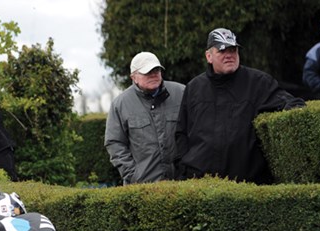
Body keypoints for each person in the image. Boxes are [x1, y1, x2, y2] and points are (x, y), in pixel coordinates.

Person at [175, 28, 306, 184]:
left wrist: (296, 114)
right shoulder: (194, 87)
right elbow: (181, 132)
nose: (229, 55)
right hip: (201, 184)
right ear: (208, 56)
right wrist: (185, 171)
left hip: (246, 184)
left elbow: (289, 102)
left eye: (233, 49)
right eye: (222, 51)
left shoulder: (258, 82)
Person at [105, 52, 185, 184]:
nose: (153, 74)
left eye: (156, 70)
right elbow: (114, 143)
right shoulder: (120, 104)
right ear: (133, 77)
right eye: (147, 72)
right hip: (141, 189)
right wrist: (134, 176)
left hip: (182, 184)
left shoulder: (181, 93)